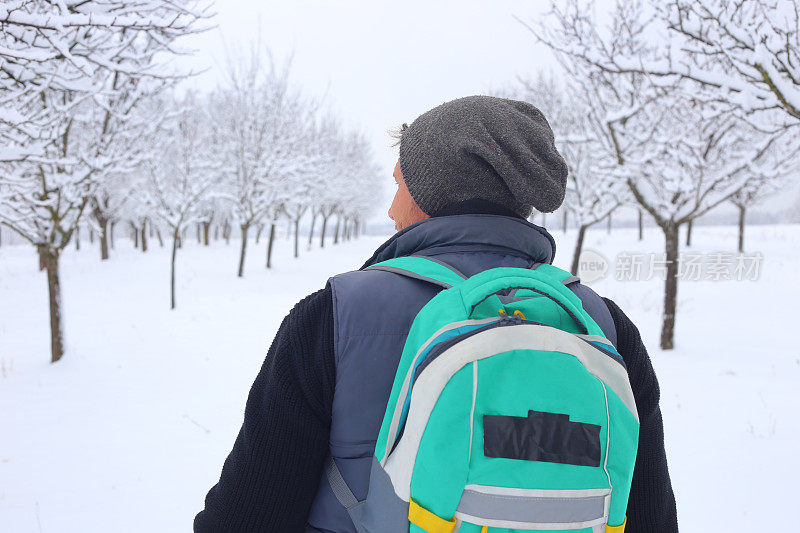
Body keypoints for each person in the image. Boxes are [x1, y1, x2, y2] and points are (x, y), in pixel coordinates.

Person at [194, 95, 679, 532]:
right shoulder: (604, 326)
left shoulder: (335, 317)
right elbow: (651, 519)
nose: (390, 209)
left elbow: (247, 515)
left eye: (399, 184)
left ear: (431, 192)